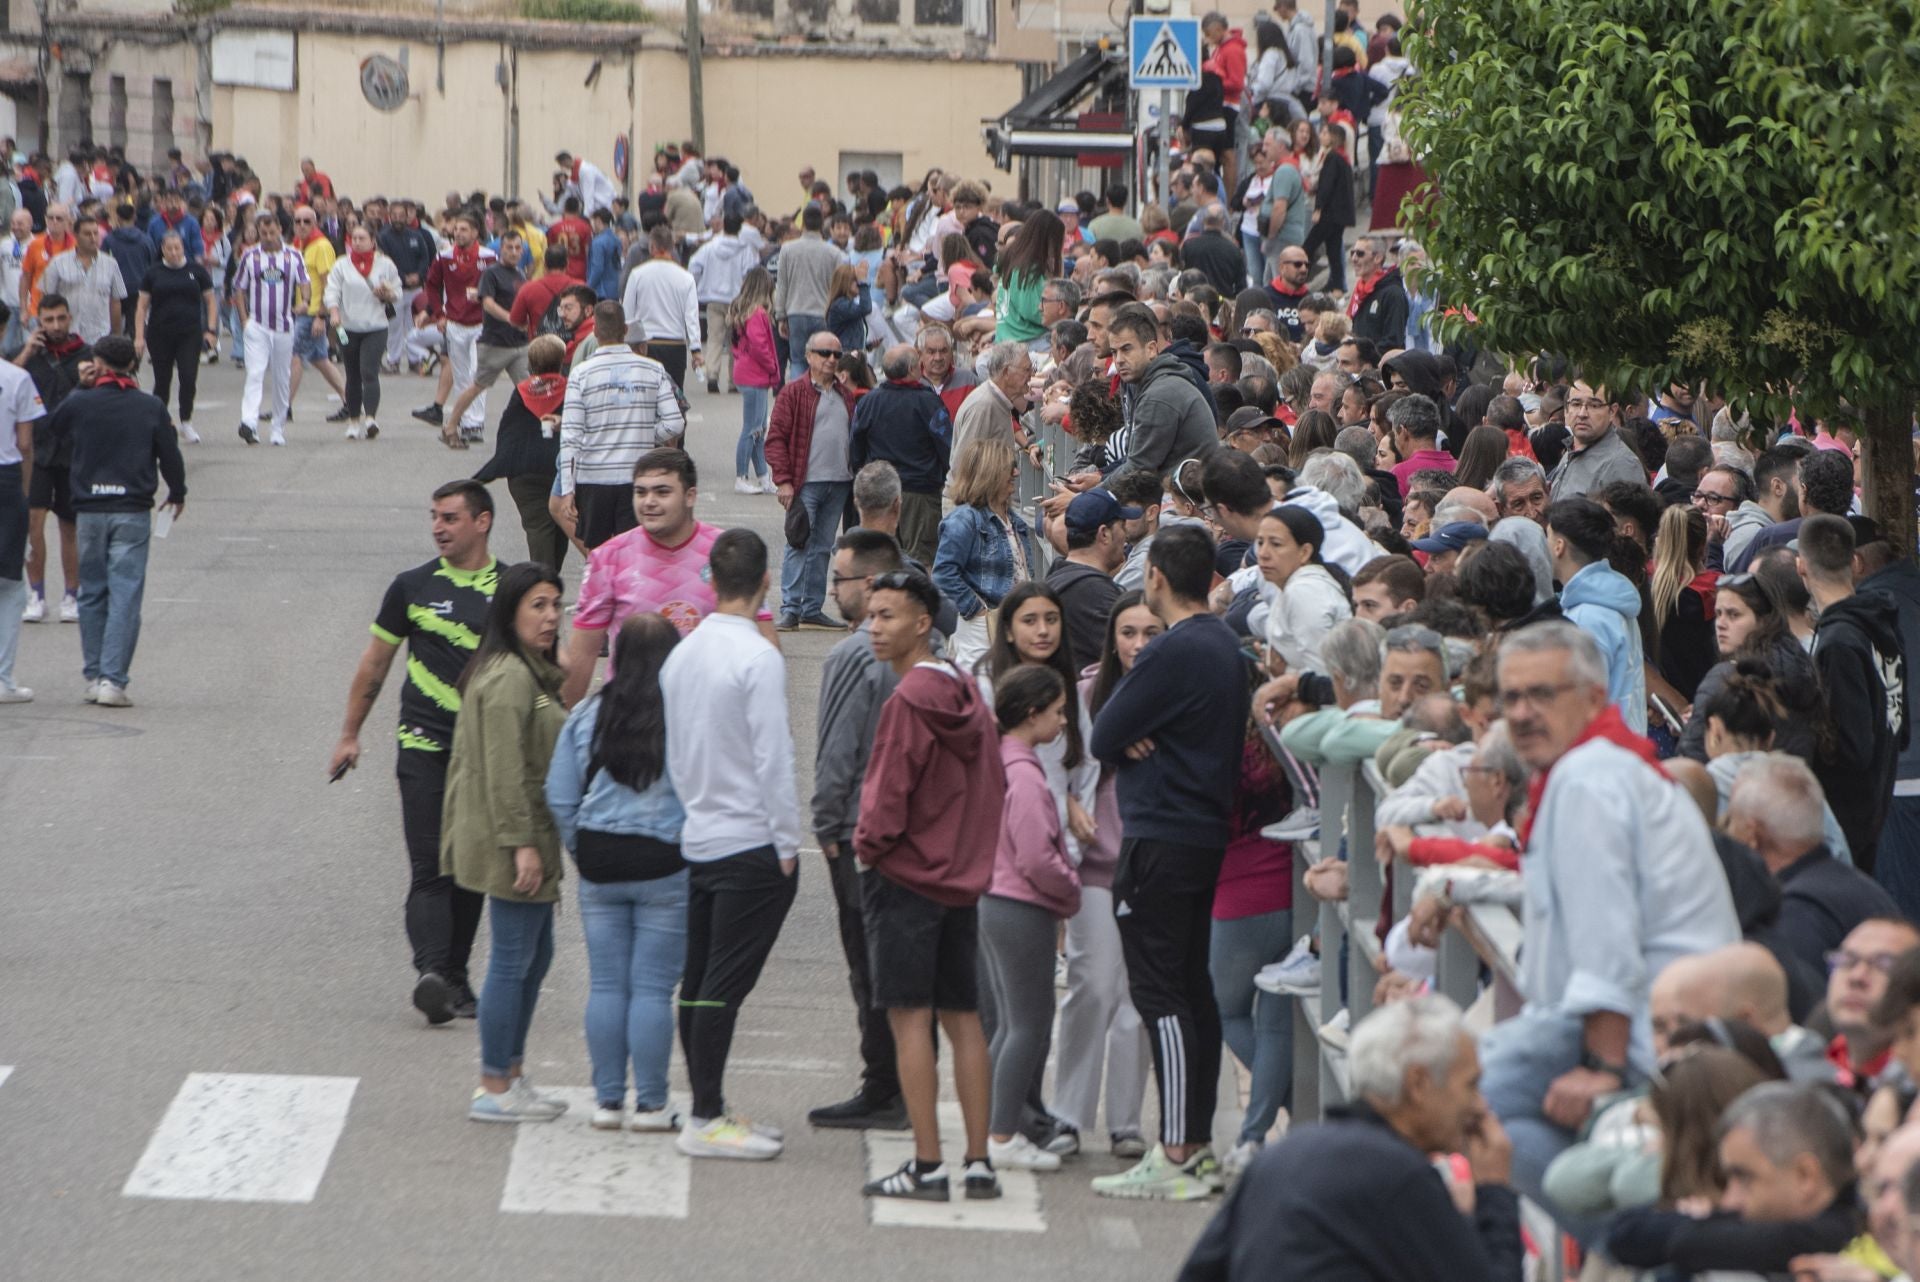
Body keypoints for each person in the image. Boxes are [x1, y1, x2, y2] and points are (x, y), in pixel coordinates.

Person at [1478, 621, 1738, 1241]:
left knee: (1467, 1106)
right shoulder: (1595, 767)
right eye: (1511, 698)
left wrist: (1602, 1065)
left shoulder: (1589, 778)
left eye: (1542, 694)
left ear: (1594, 698)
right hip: (1641, 1027)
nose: (1523, 713)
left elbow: (1606, 935)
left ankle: (1642, 1244)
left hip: (1650, 1042)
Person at [1088, 525, 1254, 1198]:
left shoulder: (1173, 647)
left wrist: (1134, 730)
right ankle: (1198, 1145)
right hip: (1204, 833)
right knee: (1192, 990)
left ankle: (1178, 1148)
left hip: (1160, 834)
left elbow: (1104, 730)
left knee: (1159, 992)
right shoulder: (1224, 644)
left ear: (1154, 575)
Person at [1176, 995, 1522, 1281]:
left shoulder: (1284, 1155)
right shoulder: (1400, 1177)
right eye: (1471, 1085)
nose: (1480, 1105)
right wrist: (1494, 1190)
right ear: (1418, 1084)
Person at [853, 568, 1006, 1201]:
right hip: (960, 882)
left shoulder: (908, 700)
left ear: (923, 623)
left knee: (909, 1021)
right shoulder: (966, 690)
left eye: (887, 615)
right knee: (964, 1020)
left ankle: (927, 1165)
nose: (874, 627)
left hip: (907, 878)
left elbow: (885, 798)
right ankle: (979, 1162)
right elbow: (994, 784)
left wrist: (868, 850)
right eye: (871, 615)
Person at [328, 481, 497, 1023]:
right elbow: (375, 663)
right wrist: (350, 734)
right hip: (423, 744)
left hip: (486, 753)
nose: (438, 528)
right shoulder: (412, 586)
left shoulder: (511, 588)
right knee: (430, 867)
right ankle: (432, 972)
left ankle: (455, 977)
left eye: (450, 518)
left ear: (482, 521)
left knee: (469, 870)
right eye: (434, 517)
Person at [660, 529, 802, 1160]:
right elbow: (773, 756)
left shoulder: (682, 653)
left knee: (699, 979)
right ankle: (705, 1115)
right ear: (766, 582)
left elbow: (676, 748)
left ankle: (706, 1106)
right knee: (722, 984)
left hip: (699, 834)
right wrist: (787, 841)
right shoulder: (758, 657)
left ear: (711, 582)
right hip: (751, 839)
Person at [544, 613, 688, 1132]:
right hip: (666, 863)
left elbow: (560, 795)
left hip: (601, 859)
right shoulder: (686, 716)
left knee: (607, 983)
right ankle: (651, 1104)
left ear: (618, 656)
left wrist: (580, 846)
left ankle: (607, 1101)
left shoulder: (587, 714)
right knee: (652, 988)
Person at [439, 561, 568, 1122]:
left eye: (555, 605)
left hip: (528, 832)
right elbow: (505, 771)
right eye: (538, 605)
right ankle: (494, 1083)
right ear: (510, 612)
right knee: (514, 960)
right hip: (512, 837)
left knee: (535, 957)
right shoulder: (510, 678)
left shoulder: (528, 671)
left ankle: (512, 1074)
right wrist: (522, 845)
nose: (551, 616)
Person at [808, 530, 916, 1131]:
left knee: (868, 965)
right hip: (907, 829)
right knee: (896, 963)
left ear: (871, 583)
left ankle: (883, 1088)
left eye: (839, 581)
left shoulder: (853, 654)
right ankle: (901, 1080)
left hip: (857, 829)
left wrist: (825, 822)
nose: (833, 592)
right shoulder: (926, 647)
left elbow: (837, 748)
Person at [1055, 593, 1157, 1160]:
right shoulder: (1088, 691)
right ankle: (1068, 1115)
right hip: (1095, 862)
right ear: (1112, 638)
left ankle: (1125, 1123)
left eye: (1150, 633)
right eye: (1128, 632)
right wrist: (1072, 806)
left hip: (1150, 863)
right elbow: (1059, 768)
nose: (1138, 644)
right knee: (1091, 986)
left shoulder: (1176, 693)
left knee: (1135, 1000)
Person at [976, 663, 1082, 1172]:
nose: (1063, 721)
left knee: (1009, 1025)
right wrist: (1070, 888)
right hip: (1021, 905)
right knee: (1028, 1024)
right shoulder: (1023, 773)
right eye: (1058, 712)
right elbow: (1037, 857)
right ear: (1033, 713)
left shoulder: (1000, 761)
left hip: (995, 899)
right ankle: (1002, 1134)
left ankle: (993, 1128)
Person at [44, 335, 184, 708]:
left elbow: (53, 427)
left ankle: (94, 675)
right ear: (131, 366)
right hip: (131, 508)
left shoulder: (82, 402)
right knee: (125, 593)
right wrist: (177, 491)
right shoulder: (150, 406)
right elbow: (169, 453)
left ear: (99, 364)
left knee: (92, 592)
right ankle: (113, 679)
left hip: (89, 508)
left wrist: (79, 388)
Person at [1607, 1082, 1859, 1272]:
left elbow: (1683, 1242)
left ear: (1805, 1176)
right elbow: (1626, 1233)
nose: (1730, 1200)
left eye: (1745, 1178)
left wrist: (1703, 1223)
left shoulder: (1841, 1233)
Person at [559, 446, 722, 706]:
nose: (649, 502)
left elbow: (758, 640)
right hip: (630, 719)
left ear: (690, 496)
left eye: (662, 492)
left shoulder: (724, 553)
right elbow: (584, 651)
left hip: (703, 716)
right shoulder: (607, 558)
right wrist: (563, 722)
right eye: (640, 492)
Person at [1800, 513, 1908, 875]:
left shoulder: (1839, 643)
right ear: (1853, 561)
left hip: (1850, 821)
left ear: (1801, 567)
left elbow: (1851, 746)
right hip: (1880, 798)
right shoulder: (1882, 622)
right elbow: (1899, 722)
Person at [1726, 752, 1898, 974]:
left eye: (1731, 819)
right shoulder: (1864, 889)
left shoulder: (1795, 914)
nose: (1725, 829)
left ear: (1752, 836)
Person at [557, 302, 687, 551]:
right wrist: (646, 435)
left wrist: (567, 488)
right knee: (635, 552)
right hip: (637, 477)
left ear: (595, 331)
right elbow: (674, 423)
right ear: (625, 330)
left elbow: (571, 435)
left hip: (593, 478)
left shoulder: (581, 374)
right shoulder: (653, 369)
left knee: (599, 553)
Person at [764, 328, 858, 630]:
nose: (831, 359)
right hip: (806, 483)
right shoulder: (793, 392)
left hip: (840, 483)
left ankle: (812, 608)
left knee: (822, 547)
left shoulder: (845, 395)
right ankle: (791, 608)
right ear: (808, 356)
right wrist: (784, 480)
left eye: (836, 354)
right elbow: (775, 439)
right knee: (798, 542)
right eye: (824, 353)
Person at [934, 437, 1036, 673]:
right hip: (980, 628)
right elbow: (943, 573)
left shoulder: (1014, 520)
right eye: (1009, 467)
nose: (1016, 472)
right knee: (980, 682)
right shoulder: (965, 519)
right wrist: (977, 611)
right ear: (990, 473)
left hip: (1007, 621)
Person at [1547, 496, 1648, 732]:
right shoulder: (1610, 599)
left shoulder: (1588, 616)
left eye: (1547, 537)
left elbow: (1584, 703)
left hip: (1604, 745)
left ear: (1559, 546)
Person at [16, 294, 87, 626]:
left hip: (73, 452)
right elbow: (5, 381)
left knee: (69, 526)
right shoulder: (28, 356)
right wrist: (27, 351)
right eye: (49, 320)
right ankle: (37, 594)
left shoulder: (86, 354)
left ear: (70, 318)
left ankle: (71, 595)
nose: (56, 325)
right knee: (33, 523)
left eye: (61, 318)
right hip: (38, 451)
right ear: (39, 322)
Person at [472, 334, 569, 572]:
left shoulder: (521, 392)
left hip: (524, 475)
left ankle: (545, 580)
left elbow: (509, 433)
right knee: (560, 528)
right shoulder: (571, 389)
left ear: (530, 364)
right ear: (561, 362)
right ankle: (545, 581)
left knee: (538, 528)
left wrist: (496, 466)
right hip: (561, 471)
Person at [848, 343, 951, 565]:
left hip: (879, 490)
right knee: (921, 560)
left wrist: (862, 471)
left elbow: (855, 445)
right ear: (912, 369)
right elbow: (946, 445)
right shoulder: (928, 402)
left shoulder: (868, 402)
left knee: (879, 558)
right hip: (920, 493)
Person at [411, 211, 496, 440]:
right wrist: (439, 314)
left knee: (476, 373)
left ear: (475, 232)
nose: (458, 233)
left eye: (464, 229)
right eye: (456, 229)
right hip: (455, 324)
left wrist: (485, 298)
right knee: (461, 376)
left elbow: (498, 285)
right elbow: (432, 286)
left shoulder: (489, 257)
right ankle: (465, 421)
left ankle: (476, 424)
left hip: (481, 324)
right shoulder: (444, 256)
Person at [229, 210, 308, 446]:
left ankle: (277, 428)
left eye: (272, 232)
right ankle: (249, 423)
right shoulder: (250, 256)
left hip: (284, 326)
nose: (268, 237)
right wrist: (244, 320)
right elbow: (239, 289)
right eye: (263, 233)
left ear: (280, 230)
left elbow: (304, 282)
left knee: (282, 378)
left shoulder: (293, 256)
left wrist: (304, 301)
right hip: (258, 326)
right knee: (255, 373)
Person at [133, 231, 216, 446]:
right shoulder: (153, 273)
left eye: (177, 247)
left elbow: (210, 301)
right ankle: (159, 423)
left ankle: (186, 421)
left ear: (183, 247)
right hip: (160, 333)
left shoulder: (196, 271)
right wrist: (139, 336)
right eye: (169, 248)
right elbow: (142, 306)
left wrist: (211, 330)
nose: (173, 252)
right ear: (162, 249)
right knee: (162, 380)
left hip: (190, 333)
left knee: (188, 376)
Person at [323, 224, 402, 441]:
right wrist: (334, 312)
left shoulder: (385, 264)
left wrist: (387, 294)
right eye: (354, 238)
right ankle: (353, 421)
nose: (357, 242)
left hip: (376, 326)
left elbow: (397, 291)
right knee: (352, 374)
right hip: (346, 327)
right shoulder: (342, 265)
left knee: (369, 371)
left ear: (373, 241)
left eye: (362, 238)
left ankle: (371, 419)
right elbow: (332, 290)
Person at [1046, 490, 1134, 671]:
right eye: (1122, 526)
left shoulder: (1057, 575)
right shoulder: (1095, 593)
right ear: (1104, 534)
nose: (1126, 536)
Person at [0, 329, 42, 701]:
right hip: (7, 477)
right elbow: (25, 443)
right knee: (10, 582)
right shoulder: (17, 378)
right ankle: (3, 678)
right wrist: (24, 494)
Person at [286, 205, 351, 421]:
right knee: (320, 359)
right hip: (303, 311)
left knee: (294, 357)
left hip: (313, 313)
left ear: (315, 223)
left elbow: (328, 284)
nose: (302, 225)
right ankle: (350, 402)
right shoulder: (298, 245)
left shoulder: (321, 246)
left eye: (307, 221)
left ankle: (284, 407)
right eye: (298, 221)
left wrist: (321, 317)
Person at [622, 225, 701, 390]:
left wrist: (627, 344)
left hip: (645, 344)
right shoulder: (686, 278)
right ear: (672, 248)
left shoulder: (637, 274)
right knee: (674, 395)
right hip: (675, 345)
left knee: (645, 393)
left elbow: (628, 313)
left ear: (652, 247)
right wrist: (696, 349)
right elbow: (692, 317)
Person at [724, 266, 780, 495]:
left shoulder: (741, 310)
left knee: (758, 429)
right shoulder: (758, 313)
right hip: (756, 375)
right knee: (752, 429)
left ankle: (764, 477)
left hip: (746, 372)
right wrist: (772, 366)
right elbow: (759, 345)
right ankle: (741, 477)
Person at [1548, 377, 1648, 500]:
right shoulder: (1570, 451)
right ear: (1566, 410)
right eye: (1576, 404)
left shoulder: (1622, 464)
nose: (1582, 414)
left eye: (1594, 405)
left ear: (1612, 412)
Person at [774, 206, 842, 379]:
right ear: (822, 224)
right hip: (823, 313)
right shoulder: (834, 253)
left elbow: (782, 285)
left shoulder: (787, 249)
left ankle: (798, 394)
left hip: (796, 312)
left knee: (798, 360)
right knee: (823, 362)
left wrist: (780, 315)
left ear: (803, 223)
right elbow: (839, 286)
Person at [40, 214, 126, 344]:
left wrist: (116, 336)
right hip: (67, 336)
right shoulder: (58, 263)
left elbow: (115, 301)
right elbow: (46, 299)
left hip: (100, 336)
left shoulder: (111, 264)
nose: (93, 238)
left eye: (95, 233)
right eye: (87, 234)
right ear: (76, 235)